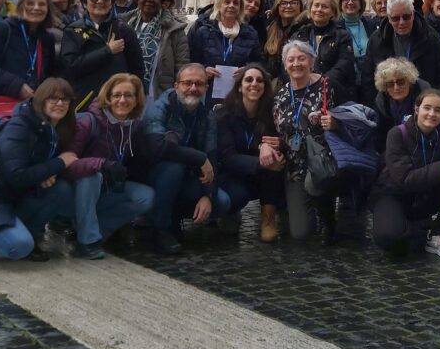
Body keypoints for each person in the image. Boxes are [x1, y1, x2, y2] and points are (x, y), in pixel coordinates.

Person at [0, 78, 78, 263]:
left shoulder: (55, 128)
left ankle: (29, 232)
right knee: (19, 247)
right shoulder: (18, 128)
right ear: (40, 99)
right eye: (53, 98)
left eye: (65, 99)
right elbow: (16, 175)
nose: (60, 103)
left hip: (17, 196)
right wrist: (58, 164)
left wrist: (48, 174)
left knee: (62, 191)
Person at [60, 73, 156, 257]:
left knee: (146, 196)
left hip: (109, 186)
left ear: (137, 100)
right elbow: (67, 163)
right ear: (108, 97)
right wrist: (101, 164)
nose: (122, 100)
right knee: (91, 176)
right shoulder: (88, 121)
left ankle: (93, 231)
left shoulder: (134, 125)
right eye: (117, 95)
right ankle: (87, 242)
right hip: (78, 190)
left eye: (128, 95)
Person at [372, 89, 440, 258]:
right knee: (389, 238)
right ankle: (419, 232)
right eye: (427, 108)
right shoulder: (397, 134)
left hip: (425, 196)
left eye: (438, 110)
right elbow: (403, 180)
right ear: (417, 109)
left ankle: (439, 233)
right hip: (394, 195)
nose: (432, 114)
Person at [143, 63, 231, 251]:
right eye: (187, 83)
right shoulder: (160, 107)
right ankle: (160, 229)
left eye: (199, 84)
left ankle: (173, 218)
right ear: (176, 86)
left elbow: (212, 156)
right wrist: (199, 158)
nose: (193, 88)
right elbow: (157, 147)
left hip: (187, 177)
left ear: (206, 88)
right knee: (174, 168)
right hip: (154, 175)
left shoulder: (207, 116)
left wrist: (207, 194)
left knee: (221, 202)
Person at [273, 40, 355, 242]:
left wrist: (337, 123)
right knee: (301, 233)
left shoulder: (328, 86)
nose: (296, 64)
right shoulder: (280, 94)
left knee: (316, 183)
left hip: (326, 158)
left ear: (311, 61)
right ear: (285, 65)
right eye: (290, 60)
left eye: (301, 58)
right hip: (295, 164)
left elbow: (354, 116)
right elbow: (275, 129)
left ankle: (327, 218)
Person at [214, 64, 285, 242]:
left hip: (262, 174)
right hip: (232, 174)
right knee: (238, 196)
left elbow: (279, 142)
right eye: (249, 79)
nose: (254, 84)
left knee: (273, 166)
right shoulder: (224, 115)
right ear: (239, 86)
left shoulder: (271, 114)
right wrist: (261, 160)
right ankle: (230, 211)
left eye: (260, 80)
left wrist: (275, 148)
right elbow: (228, 157)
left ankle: (268, 220)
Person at [364, 0, 440, 115]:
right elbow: (368, 81)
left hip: (427, 110)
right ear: (388, 18)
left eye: (406, 17)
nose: (402, 22)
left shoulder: (430, 36)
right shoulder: (376, 40)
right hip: (388, 111)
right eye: (396, 18)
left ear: (413, 14)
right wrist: (375, 111)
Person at [62, 0, 146, 108]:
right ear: (84, 3)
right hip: (84, 102)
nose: (100, 1)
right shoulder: (72, 30)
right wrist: (107, 51)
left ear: (112, 2)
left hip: (118, 104)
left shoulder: (124, 30)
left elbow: (137, 70)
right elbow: (71, 68)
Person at [0, 0, 60, 105]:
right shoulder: (4, 29)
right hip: (3, 104)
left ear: (48, 9)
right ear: (20, 6)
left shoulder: (47, 38)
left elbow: (49, 73)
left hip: (34, 105)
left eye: (42, 4)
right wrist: (17, 86)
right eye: (30, 3)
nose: (36, 8)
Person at [187, 0, 263, 103]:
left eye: (236, 3)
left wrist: (248, 69)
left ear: (240, 8)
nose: (231, 5)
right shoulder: (204, 31)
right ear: (219, 5)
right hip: (206, 92)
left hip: (239, 94)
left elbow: (259, 61)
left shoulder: (250, 33)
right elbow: (191, 60)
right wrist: (203, 70)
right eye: (227, 2)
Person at [123, 0, 190, 99]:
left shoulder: (175, 29)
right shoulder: (122, 24)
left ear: (162, 0)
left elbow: (182, 67)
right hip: (124, 95)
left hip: (159, 97)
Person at [290, 0, 355, 101]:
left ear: (333, 12)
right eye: (316, 5)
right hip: (302, 91)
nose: (319, 10)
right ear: (310, 9)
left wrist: (321, 82)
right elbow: (288, 62)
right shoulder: (299, 35)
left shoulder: (342, 36)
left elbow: (344, 64)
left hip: (332, 91)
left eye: (324, 7)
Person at [371, 57, 429, 153]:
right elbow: (380, 137)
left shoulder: (425, 98)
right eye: (390, 84)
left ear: (409, 82)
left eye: (401, 82)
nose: (396, 88)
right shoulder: (382, 103)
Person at [337, 0, 376, 93]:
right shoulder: (334, 27)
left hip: (369, 83)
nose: (350, 2)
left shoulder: (371, 25)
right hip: (344, 84)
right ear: (340, 4)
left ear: (361, 4)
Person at [262, 0, 305, 80]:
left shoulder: (306, 30)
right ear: (277, 7)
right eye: (283, 3)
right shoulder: (270, 29)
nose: (288, 6)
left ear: (300, 6)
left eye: (293, 3)